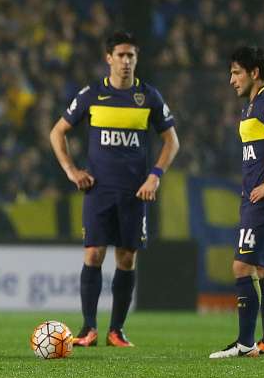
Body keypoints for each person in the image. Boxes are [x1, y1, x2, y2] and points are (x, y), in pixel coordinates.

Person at [49, 31, 179, 347]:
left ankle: (116, 331)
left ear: (136, 59)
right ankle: (88, 329)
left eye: (131, 56)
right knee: (93, 254)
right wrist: (71, 171)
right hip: (99, 191)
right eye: (120, 55)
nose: (125, 61)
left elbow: (171, 141)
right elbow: (58, 132)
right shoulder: (92, 94)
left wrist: (155, 176)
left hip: (135, 193)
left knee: (126, 259)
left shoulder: (149, 97)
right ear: (109, 58)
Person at [209, 46, 264, 358]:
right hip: (261, 199)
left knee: (241, 265)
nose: (231, 79)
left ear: (254, 72)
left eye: (236, 72)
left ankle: (246, 343)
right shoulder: (253, 105)